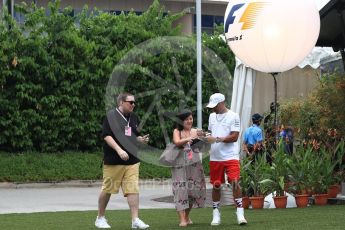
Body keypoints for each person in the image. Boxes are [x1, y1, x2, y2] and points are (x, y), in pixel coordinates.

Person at [95, 93, 150, 229]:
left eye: (134, 103)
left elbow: (132, 136)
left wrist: (140, 140)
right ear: (121, 102)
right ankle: (100, 218)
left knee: (133, 190)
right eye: (130, 102)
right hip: (114, 160)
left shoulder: (134, 117)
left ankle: (135, 220)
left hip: (132, 160)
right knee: (108, 189)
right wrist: (119, 150)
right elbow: (107, 136)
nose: (133, 105)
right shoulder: (111, 116)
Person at [205, 93, 247, 226]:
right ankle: (216, 214)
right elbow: (210, 133)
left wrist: (217, 139)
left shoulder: (234, 115)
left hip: (230, 156)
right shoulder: (212, 116)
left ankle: (240, 214)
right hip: (215, 157)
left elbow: (234, 137)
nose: (213, 109)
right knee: (216, 185)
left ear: (222, 103)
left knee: (235, 182)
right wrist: (204, 135)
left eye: (215, 106)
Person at [171, 109, 206, 227]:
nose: (189, 121)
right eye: (187, 119)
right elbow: (176, 142)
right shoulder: (177, 130)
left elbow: (202, 147)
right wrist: (187, 139)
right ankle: (182, 219)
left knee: (193, 190)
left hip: (194, 163)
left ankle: (186, 216)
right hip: (179, 163)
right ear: (181, 121)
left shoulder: (196, 131)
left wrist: (204, 137)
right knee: (180, 190)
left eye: (191, 118)